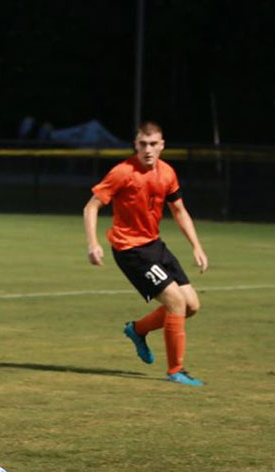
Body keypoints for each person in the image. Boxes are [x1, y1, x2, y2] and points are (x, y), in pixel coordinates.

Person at [83, 121, 209, 386]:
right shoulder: (122, 172)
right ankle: (176, 370)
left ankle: (137, 330)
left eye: (153, 144)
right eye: (143, 144)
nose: (148, 150)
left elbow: (179, 211)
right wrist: (93, 243)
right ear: (136, 145)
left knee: (192, 306)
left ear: (162, 145)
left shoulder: (168, 173)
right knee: (175, 302)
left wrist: (196, 246)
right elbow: (91, 207)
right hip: (130, 249)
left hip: (155, 245)